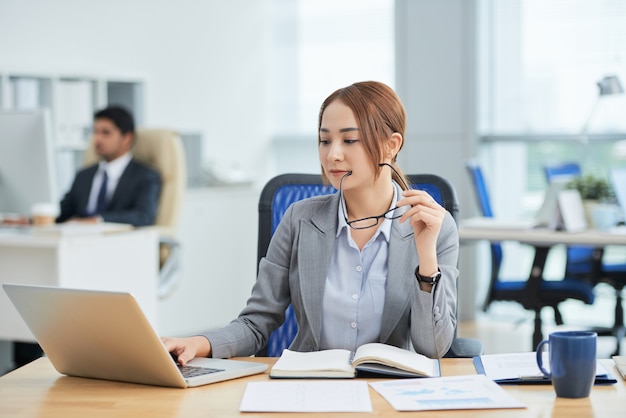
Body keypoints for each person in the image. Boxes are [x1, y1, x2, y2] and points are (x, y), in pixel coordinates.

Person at [163, 81, 458, 364]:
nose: (333, 154)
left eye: (349, 140)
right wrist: (196, 343)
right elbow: (256, 323)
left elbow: (432, 347)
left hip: (390, 393)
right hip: (310, 387)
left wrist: (426, 261)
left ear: (391, 145)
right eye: (325, 140)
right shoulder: (299, 219)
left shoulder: (434, 228)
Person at [56, 105, 161, 226]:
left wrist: (98, 220)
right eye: (95, 132)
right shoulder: (84, 175)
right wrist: (36, 219)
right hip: (78, 238)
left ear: (127, 138)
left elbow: (143, 216)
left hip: (118, 241)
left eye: (106, 133)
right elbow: (63, 212)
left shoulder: (145, 176)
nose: (97, 139)